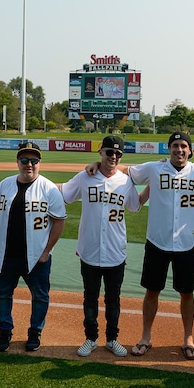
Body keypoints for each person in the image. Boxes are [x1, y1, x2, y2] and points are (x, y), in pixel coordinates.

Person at [88, 131, 194, 359]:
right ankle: (146, 337)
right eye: (175, 145)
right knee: (152, 291)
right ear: (169, 149)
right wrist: (98, 163)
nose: (179, 149)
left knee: (187, 293)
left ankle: (188, 338)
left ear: (190, 150)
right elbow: (124, 170)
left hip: (185, 244)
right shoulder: (155, 168)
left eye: (184, 145)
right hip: (157, 241)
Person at [59, 136, 146, 358]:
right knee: (90, 297)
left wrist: (155, 185)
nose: (114, 157)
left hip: (116, 250)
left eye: (118, 154)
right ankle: (90, 338)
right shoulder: (85, 177)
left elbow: (135, 206)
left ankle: (112, 339)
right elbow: (64, 194)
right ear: (101, 152)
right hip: (89, 250)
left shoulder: (126, 182)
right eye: (109, 152)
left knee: (113, 299)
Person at [0, 142, 66, 353]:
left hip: (36, 257)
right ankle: (4, 331)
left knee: (40, 295)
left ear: (39, 163)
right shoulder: (4, 185)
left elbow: (59, 221)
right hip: (7, 255)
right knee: (3, 294)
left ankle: (35, 332)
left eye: (34, 160)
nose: (29, 164)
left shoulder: (49, 188)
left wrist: (46, 251)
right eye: (25, 160)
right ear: (18, 162)